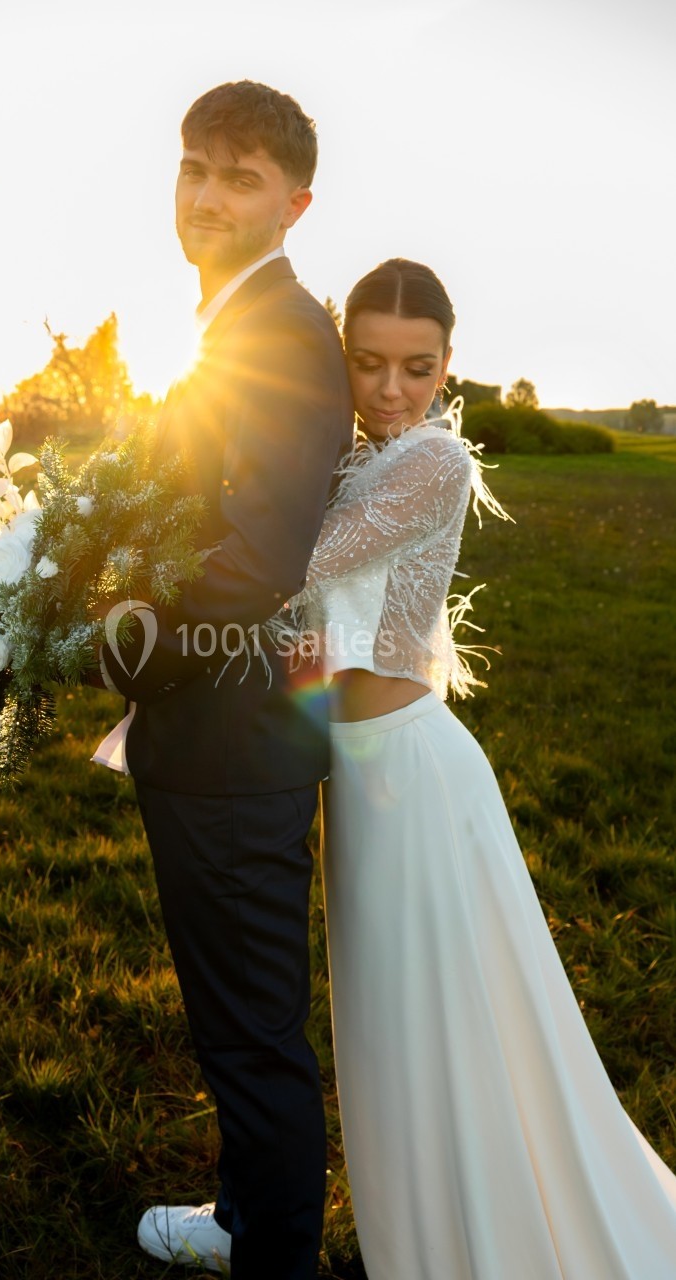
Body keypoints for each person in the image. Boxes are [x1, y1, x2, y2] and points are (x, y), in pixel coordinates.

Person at [300, 257, 676, 1278]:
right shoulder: (351, 450)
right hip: (360, 774)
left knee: (447, 1024)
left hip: (413, 779)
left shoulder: (432, 462)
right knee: (384, 1023)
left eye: (414, 369)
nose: (389, 390)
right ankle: (414, 1226)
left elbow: (306, 562)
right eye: (367, 364)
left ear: (446, 366)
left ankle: (477, 1235)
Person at [97, 82, 353, 1278]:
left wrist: (106, 632)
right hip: (216, 735)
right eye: (195, 166)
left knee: (252, 1032)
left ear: (294, 202)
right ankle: (248, 1218)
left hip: (236, 738)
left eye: (239, 176)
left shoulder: (283, 332)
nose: (205, 194)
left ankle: (274, 1257)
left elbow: (254, 559)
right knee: (232, 1021)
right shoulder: (225, 325)